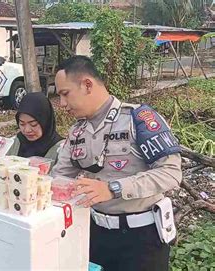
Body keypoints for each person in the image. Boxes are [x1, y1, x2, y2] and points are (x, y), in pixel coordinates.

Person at [51, 56, 182, 271]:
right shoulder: (77, 131)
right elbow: (60, 176)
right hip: (96, 234)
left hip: (142, 239)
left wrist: (114, 189)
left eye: (65, 94)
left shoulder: (138, 119)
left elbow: (170, 173)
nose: (62, 104)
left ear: (87, 85)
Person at [7, 92, 64, 167]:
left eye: (33, 124)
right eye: (22, 124)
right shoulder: (15, 143)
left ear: (45, 121)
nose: (27, 130)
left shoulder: (60, 149)